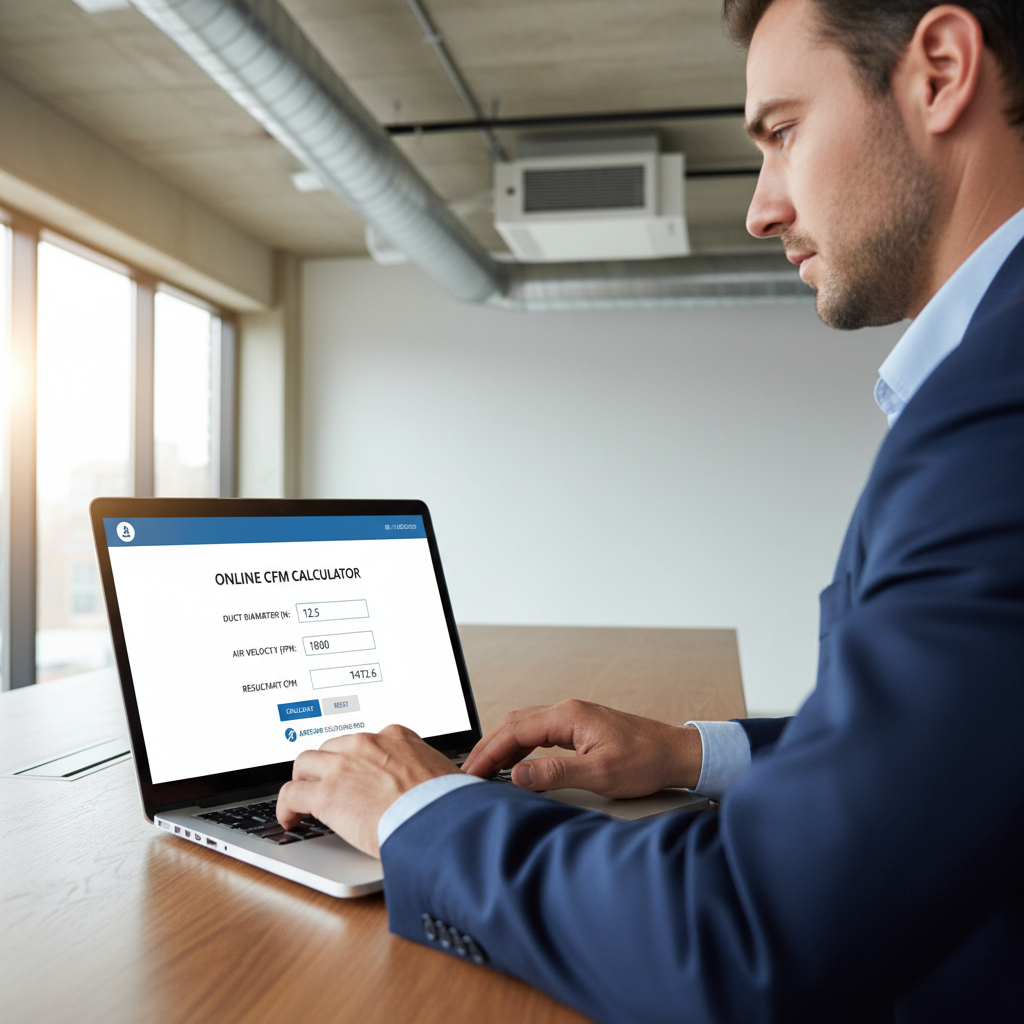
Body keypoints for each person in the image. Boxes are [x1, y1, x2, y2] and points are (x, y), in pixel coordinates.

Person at [276, 1, 1024, 1019]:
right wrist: (688, 752)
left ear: (939, 68)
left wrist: (419, 809)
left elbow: (746, 937)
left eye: (783, 132)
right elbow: (953, 751)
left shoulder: (997, 406)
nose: (762, 208)